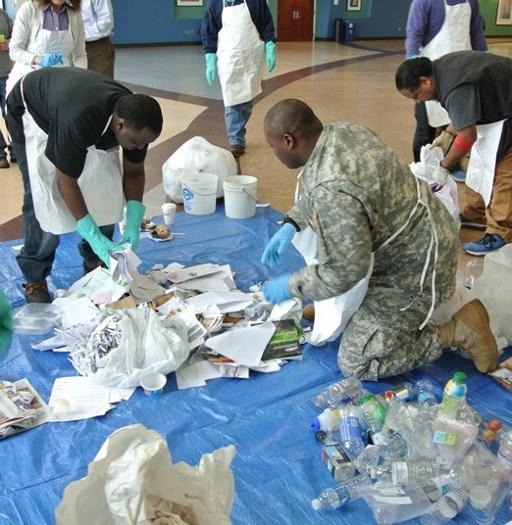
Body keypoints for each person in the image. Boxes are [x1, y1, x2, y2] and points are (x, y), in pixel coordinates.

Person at [260, 99, 498, 379]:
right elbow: (322, 186)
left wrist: (291, 286)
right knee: (334, 297)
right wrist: (292, 221)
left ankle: (458, 331)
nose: (273, 151)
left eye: (271, 145)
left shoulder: (333, 189)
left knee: (356, 362)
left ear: (288, 140)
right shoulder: (341, 133)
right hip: (420, 235)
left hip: (416, 267)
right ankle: (343, 311)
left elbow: (344, 272)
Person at [6, 67, 163, 303]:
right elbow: (65, 181)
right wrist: (93, 235)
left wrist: (132, 223)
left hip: (75, 112)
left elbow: (134, 173)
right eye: (136, 143)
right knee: (43, 200)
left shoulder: (137, 124)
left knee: (106, 190)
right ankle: (35, 276)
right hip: (32, 112)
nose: (139, 148)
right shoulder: (79, 120)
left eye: (145, 144)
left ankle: (95, 260)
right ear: (120, 126)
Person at [396, 52, 512, 255]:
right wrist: (447, 136)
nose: (417, 101)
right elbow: (464, 112)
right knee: (481, 165)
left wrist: (444, 166)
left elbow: (467, 137)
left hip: (507, 111)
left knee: (502, 171)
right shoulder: (440, 71)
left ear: (425, 82)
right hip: (498, 107)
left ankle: (501, 232)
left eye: (415, 96)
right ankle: (476, 212)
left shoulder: (454, 85)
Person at [405, 0, 486, 163]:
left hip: (464, 71)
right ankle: (421, 166)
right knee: (425, 126)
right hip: (431, 74)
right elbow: (414, 34)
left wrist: (483, 60)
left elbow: (476, 33)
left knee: (460, 122)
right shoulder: (424, 2)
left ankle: (450, 163)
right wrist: (413, 66)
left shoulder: (471, 2)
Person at [201, 0, 276, 157]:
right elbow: (209, 31)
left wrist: (270, 46)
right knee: (231, 98)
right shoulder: (215, 4)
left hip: (250, 57)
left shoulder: (255, 2)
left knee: (247, 100)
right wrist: (210, 59)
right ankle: (235, 139)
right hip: (228, 58)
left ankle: (238, 132)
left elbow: (266, 23)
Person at [7, 0, 87, 94]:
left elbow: (80, 55)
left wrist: (80, 78)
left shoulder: (75, 15)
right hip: (30, 78)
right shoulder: (29, 9)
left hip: (62, 82)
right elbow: (14, 51)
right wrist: (38, 59)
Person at [81, 0, 115, 77]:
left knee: (100, 85)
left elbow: (106, 23)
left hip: (95, 47)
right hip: (66, 48)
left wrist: (78, 35)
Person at [0, 8, 13, 168]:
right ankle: (1, 154)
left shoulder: (3, 15)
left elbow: (18, 38)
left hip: (6, 73)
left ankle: (16, 150)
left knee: (10, 114)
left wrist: (8, 44)